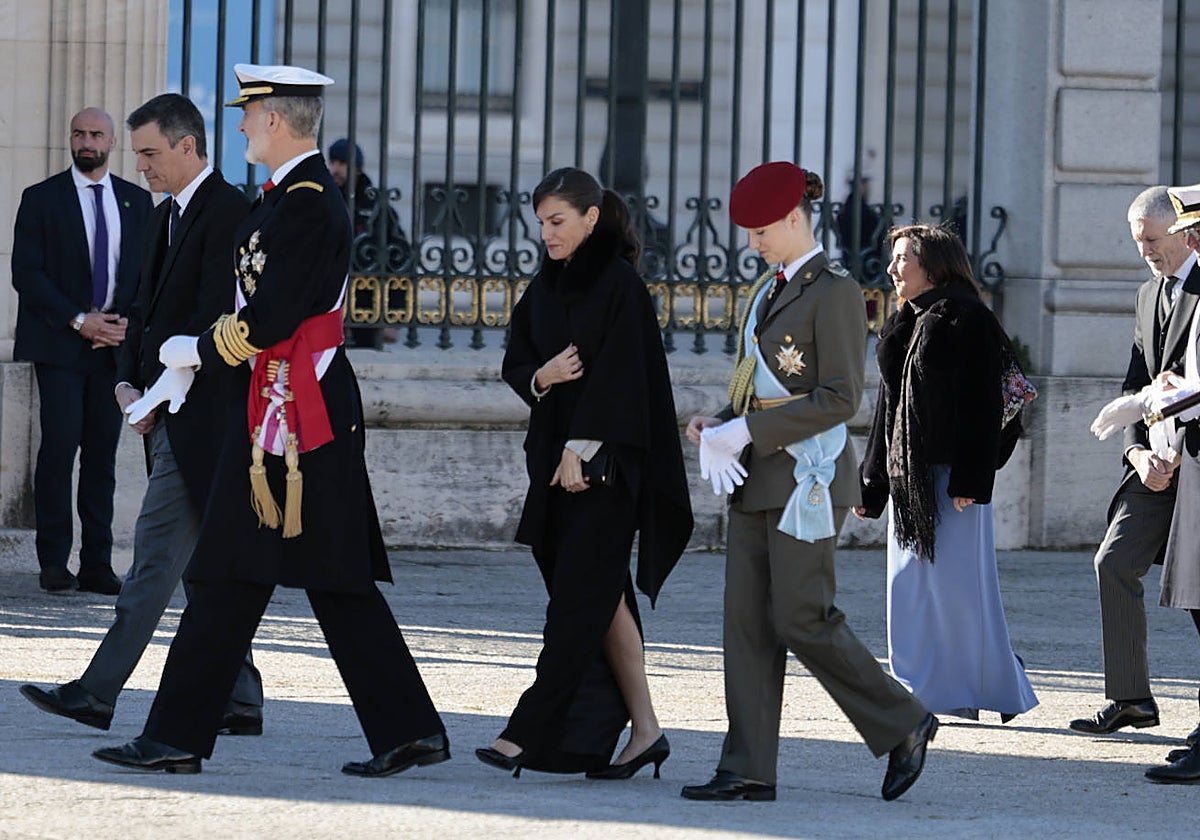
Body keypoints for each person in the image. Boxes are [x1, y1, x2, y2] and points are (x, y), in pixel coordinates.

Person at [90, 63, 446, 777]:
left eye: (251, 116)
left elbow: (275, 314)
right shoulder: (284, 199)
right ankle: (404, 730)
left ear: (275, 121)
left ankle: (177, 737)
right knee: (279, 575)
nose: (243, 126)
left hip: (303, 407)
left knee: (274, 574)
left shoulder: (311, 203)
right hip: (281, 403)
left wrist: (199, 348)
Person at [681, 161, 936, 804]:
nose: (754, 242)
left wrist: (749, 433)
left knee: (802, 617)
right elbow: (755, 382)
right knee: (746, 624)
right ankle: (747, 767)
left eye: (763, 230)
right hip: (754, 475)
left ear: (796, 219)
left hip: (807, 476)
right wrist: (722, 420)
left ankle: (904, 721)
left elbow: (841, 397)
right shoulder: (769, 291)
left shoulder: (836, 291)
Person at [18, 94, 265, 736]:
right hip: (166, 409)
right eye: (138, 156)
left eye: (151, 154)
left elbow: (218, 324)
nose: (143, 167)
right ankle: (240, 696)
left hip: (207, 418)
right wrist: (129, 384)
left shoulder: (233, 213)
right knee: (204, 564)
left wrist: (155, 390)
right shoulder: (162, 216)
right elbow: (139, 309)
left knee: (156, 561)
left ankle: (97, 693)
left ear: (188, 147)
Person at [477, 167, 693, 779]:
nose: (546, 234)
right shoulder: (546, 284)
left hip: (607, 474)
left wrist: (582, 447)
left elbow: (628, 379)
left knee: (576, 605)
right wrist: (542, 377)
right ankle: (644, 730)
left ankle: (527, 731)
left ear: (591, 218)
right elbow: (518, 361)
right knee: (602, 600)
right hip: (551, 471)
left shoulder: (620, 285)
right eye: (542, 223)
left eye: (558, 222)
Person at [853, 223, 1038, 723]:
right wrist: (870, 485)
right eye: (892, 259)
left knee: (959, 594)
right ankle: (923, 691)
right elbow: (888, 410)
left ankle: (984, 687)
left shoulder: (968, 318)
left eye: (902, 259)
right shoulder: (903, 320)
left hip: (952, 478)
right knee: (908, 586)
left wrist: (972, 481)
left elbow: (986, 406)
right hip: (907, 476)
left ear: (933, 265)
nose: (892, 268)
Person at [1070, 187, 1200, 743]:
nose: (1143, 249)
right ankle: (1131, 699)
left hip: (1197, 464)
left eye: (1151, 238)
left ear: (1183, 232)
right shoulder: (1148, 294)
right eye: (1135, 240)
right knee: (1114, 562)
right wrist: (1136, 451)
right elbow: (1133, 386)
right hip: (1156, 464)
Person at [11, 107, 152, 593]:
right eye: (78, 134)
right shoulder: (41, 199)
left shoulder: (137, 202)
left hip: (112, 348)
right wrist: (79, 320)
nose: (86, 141)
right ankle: (53, 562)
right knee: (58, 450)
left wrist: (125, 326)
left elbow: (146, 276)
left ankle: (96, 563)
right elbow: (26, 274)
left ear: (112, 142)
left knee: (101, 456)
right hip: (60, 344)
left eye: (95, 134)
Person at [328, 137, 407, 347]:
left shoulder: (375, 205)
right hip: (329, 303)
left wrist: (394, 316)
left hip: (367, 304)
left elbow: (398, 259)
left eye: (342, 164)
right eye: (333, 162)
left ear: (358, 168)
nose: (335, 169)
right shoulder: (324, 198)